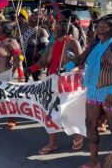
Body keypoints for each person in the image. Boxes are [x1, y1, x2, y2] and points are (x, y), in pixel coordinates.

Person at [64, 14, 112, 168]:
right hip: (93, 92)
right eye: (98, 27)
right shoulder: (94, 45)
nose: (100, 30)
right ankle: (94, 161)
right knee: (90, 124)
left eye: (104, 27)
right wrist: (63, 69)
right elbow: (80, 60)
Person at [28, 19, 84, 155]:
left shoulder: (73, 43)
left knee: (69, 112)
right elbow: (43, 61)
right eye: (55, 27)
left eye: (58, 27)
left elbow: (81, 63)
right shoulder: (51, 45)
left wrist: (69, 71)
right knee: (49, 113)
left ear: (66, 29)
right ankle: (52, 143)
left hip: (69, 84)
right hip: (52, 82)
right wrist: (31, 68)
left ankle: (78, 136)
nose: (55, 29)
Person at [21, 11, 49, 81]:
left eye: (32, 19)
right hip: (25, 58)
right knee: (24, 78)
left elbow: (46, 47)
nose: (29, 20)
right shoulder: (25, 30)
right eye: (29, 19)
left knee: (37, 79)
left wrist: (39, 55)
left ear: (37, 20)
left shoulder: (42, 31)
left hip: (36, 60)